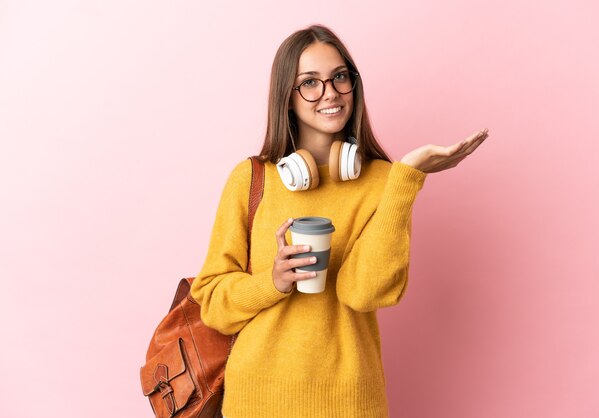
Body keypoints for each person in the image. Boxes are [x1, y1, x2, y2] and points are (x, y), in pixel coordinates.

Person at [191, 24, 489, 418]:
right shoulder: (251, 179)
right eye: (310, 83)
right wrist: (273, 281)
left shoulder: (385, 181)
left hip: (351, 404)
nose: (329, 92)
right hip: (256, 402)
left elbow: (363, 293)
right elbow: (212, 303)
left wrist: (406, 178)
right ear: (287, 98)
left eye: (339, 77)